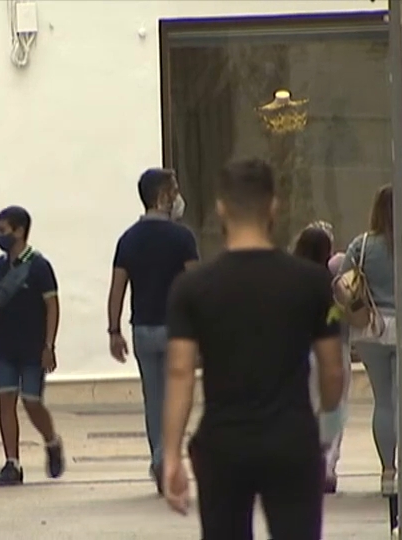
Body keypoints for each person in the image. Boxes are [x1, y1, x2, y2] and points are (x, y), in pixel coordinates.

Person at [162, 159, 346, 540]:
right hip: (291, 437)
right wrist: (326, 415)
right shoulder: (311, 282)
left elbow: (180, 372)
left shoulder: (193, 287)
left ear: (221, 208)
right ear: (273, 206)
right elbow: (332, 370)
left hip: (224, 442)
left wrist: (171, 455)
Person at [106, 167, 199, 494]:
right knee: (178, 396)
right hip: (178, 330)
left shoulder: (128, 239)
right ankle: (170, 455)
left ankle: (159, 457)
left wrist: (114, 330)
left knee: (154, 397)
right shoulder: (182, 238)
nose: (178, 197)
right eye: (174, 190)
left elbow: (118, 287)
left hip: (143, 329)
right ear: (162, 196)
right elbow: (194, 283)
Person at [0, 205, 65, 486]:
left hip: (32, 345)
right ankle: (12, 462)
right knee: (5, 400)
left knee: (31, 400)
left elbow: (52, 306)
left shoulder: (39, 266)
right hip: (4, 345)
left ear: (19, 231)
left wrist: (49, 345)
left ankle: (51, 441)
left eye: (3, 230)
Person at [338, 184, 398, 495]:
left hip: (370, 329)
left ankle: (388, 470)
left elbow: (342, 284)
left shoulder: (361, 245)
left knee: (383, 401)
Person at [293, 225, 352, 494]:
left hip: (300, 351)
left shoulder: (290, 280)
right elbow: (351, 309)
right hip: (335, 349)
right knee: (335, 408)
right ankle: (328, 464)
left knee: (305, 408)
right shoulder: (333, 282)